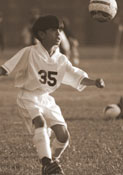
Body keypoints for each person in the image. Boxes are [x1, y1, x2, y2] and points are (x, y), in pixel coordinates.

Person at [0, 15, 105, 175]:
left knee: (63, 136)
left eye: (60, 30)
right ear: (41, 34)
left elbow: (76, 75)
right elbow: (5, 69)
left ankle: (52, 162)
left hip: (46, 99)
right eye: (54, 30)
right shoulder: (29, 52)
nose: (59, 34)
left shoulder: (60, 59)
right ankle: (46, 162)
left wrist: (94, 82)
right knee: (40, 122)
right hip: (28, 97)